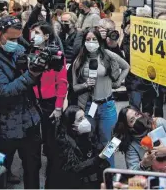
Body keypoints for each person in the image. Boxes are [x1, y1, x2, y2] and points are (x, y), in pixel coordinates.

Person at [0, 16, 42, 188]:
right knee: (0, 171)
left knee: (33, 167)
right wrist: (31, 74)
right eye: (11, 38)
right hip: (4, 126)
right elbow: (3, 91)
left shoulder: (19, 49)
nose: (15, 43)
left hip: (29, 120)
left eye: (17, 38)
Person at [72, 28, 129, 167]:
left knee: (109, 143)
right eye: (88, 39)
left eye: (94, 39)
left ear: (100, 41)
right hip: (88, 106)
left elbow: (126, 66)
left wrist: (117, 82)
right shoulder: (79, 60)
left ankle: (110, 172)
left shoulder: (108, 55)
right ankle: (92, 175)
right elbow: (74, 87)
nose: (91, 42)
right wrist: (85, 84)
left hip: (107, 106)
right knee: (88, 141)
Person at [28, 21, 68, 188]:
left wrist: (58, 106)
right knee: (33, 146)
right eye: (32, 33)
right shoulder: (28, 53)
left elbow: (62, 83)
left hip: (50, 103)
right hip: (31, 102)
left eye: (37, 33)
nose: (33, 36)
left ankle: (51, 181)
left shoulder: (56, 56)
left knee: (51, 144)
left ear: (46, 36)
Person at [113, 105, 166, 171]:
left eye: (137, 115)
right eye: (132, 120)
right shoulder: (131, 144)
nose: (137, 119)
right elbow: (132, 172)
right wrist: (143, 164)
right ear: (128, 127)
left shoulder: (159, 123)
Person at [50, 105, 109, 189]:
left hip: (90, 177)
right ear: (72, 126)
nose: (85, 121)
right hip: (73, 183)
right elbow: (75, 169)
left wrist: (106, 149)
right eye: (80, 119)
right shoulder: (64, 142)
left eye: (84, 117)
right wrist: (99, 158)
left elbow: (97, 148)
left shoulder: (88, 133)